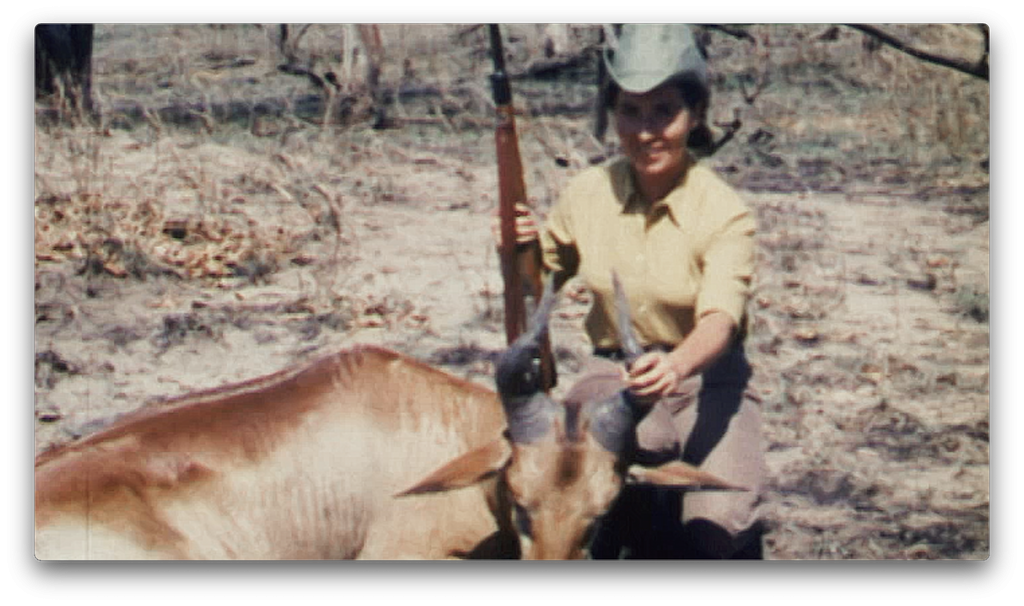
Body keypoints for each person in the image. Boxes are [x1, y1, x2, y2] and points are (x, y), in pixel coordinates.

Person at [494, 23, 766, 559]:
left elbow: (720, 320)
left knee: (717, 524)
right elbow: (535, 287)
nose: (646, 132)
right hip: (614, 373)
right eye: (630, 112)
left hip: (707, 380)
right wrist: (516, 249)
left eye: (664, 111)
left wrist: (675, 367)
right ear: (612, 116)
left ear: (694, 116)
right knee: (572, 480)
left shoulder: (723, 209)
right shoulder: (587, 192)